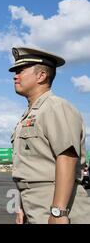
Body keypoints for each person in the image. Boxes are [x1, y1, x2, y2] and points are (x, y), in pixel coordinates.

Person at [8, 47, 90, 224]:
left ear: (41, 76)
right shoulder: (30, 114)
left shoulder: (55, 107)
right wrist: (21, 206)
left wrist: (58, 211)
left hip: (55, 201)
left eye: (20, 71)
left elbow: (67, 157)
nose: (15, 76)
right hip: (34, 203)